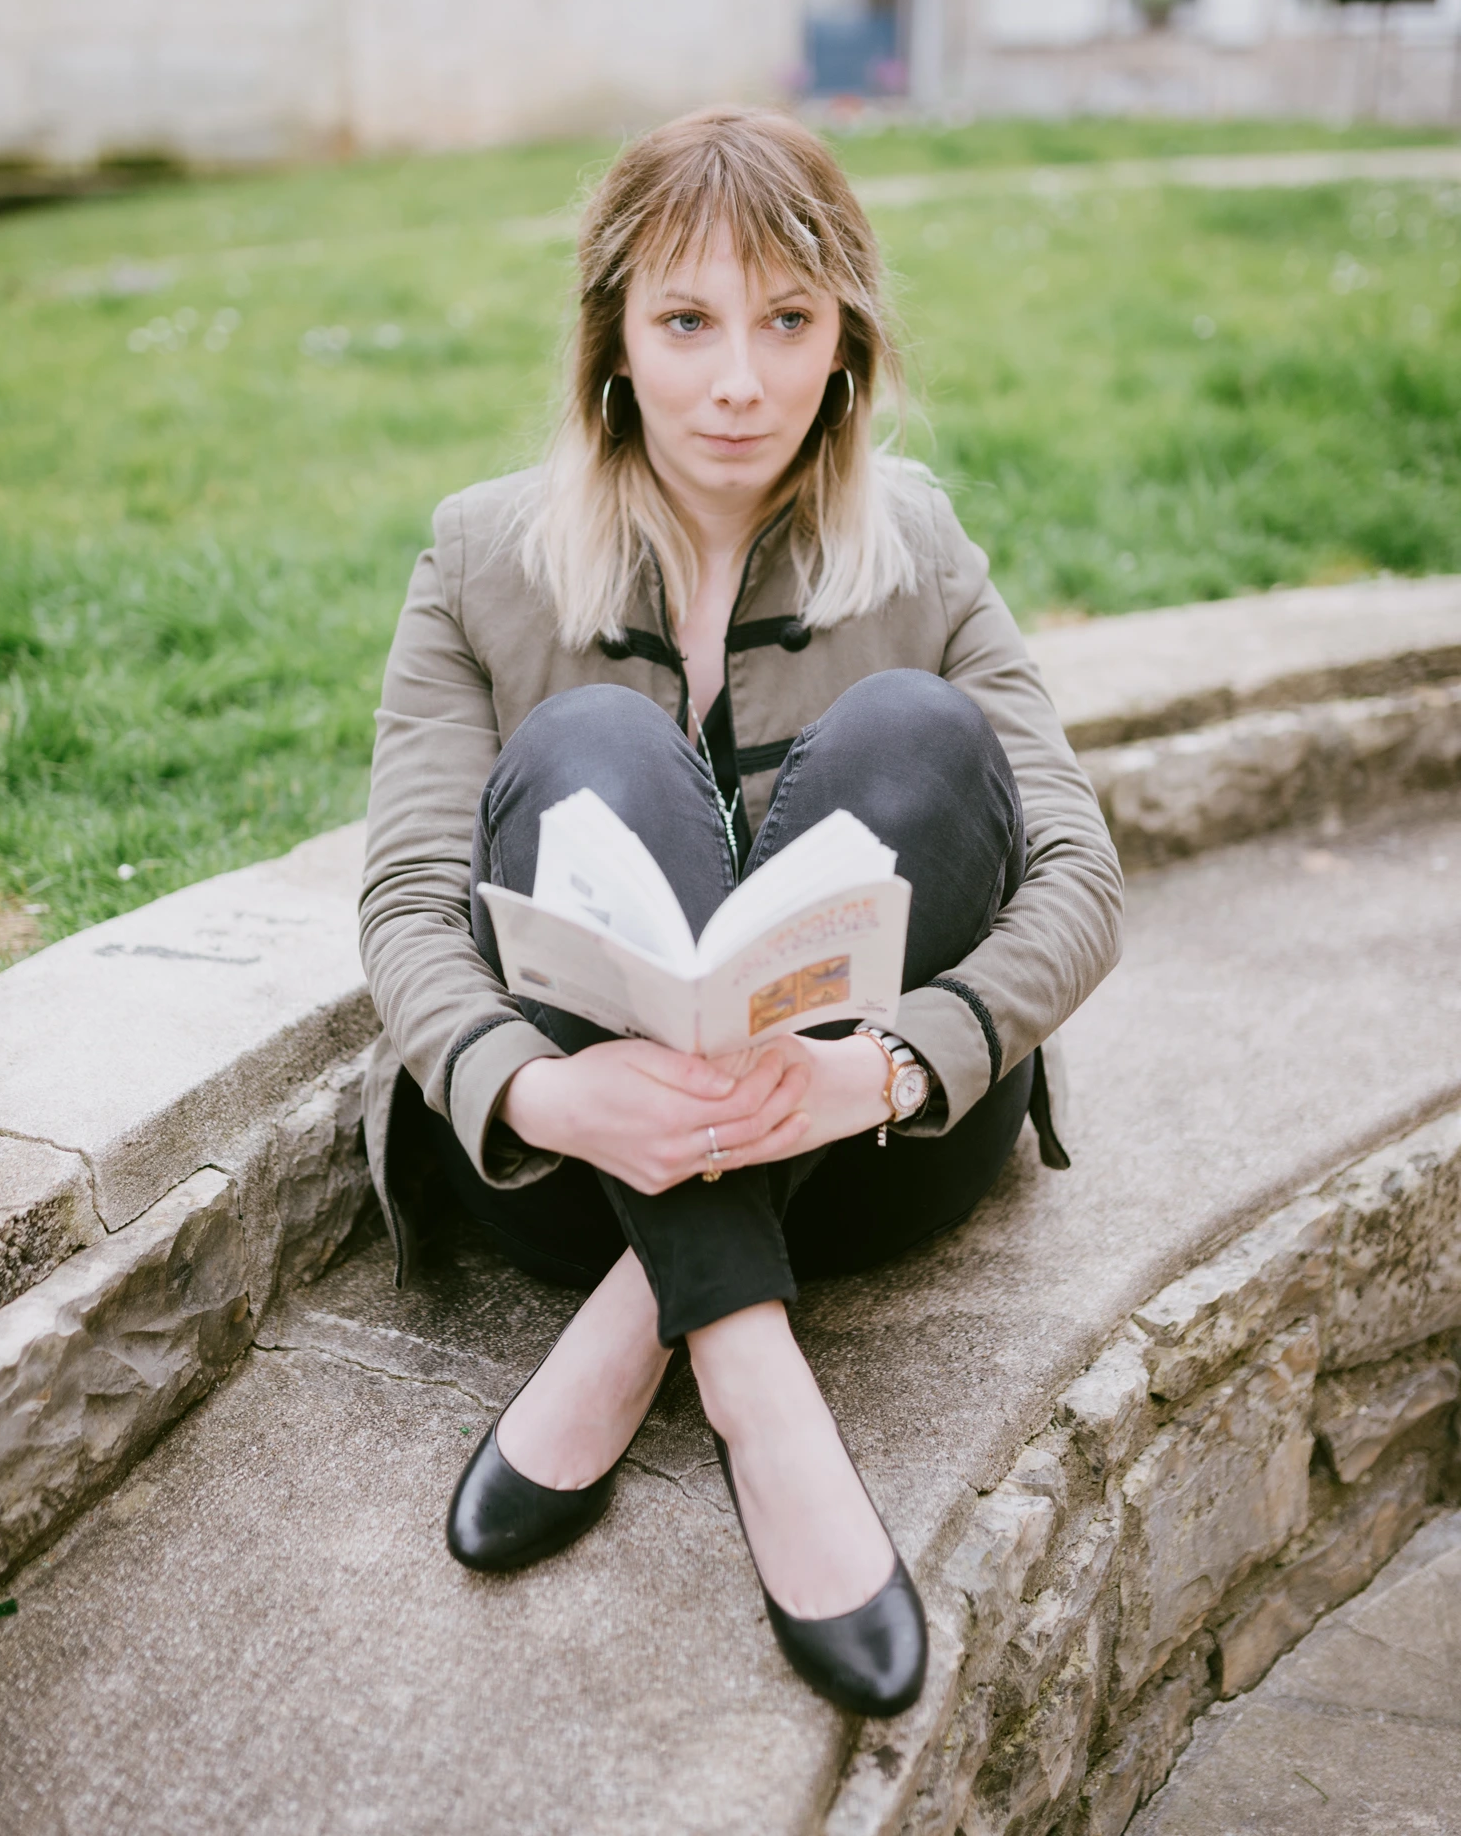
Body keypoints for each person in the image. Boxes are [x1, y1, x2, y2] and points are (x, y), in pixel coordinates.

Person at [358, 108, 1122, 1718]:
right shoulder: (480, 558)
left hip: (875, 1149)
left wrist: (893, 1067)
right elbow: (409, 907)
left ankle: (652, 1327)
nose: (738, 381)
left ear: (844, 337)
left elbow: (1080, 879)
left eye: (787, 322)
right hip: (568, 1164)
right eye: (686, 321)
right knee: (590, 748)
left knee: (920, 733)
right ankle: (770, 1408)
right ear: (613, 342)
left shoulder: (919, 546)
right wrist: (549, 1089)